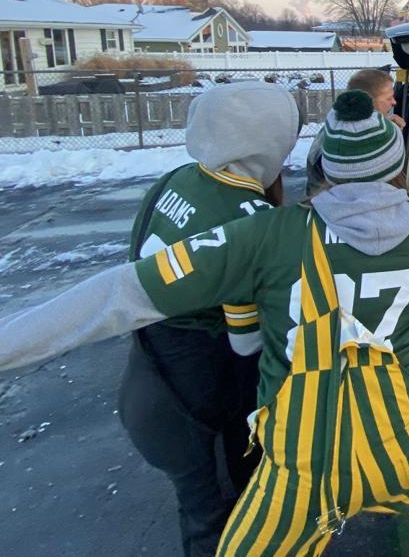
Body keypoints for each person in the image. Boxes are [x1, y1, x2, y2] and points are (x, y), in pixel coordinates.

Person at [0, 89, 409, 555]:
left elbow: (117, 295)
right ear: (398, 168)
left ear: (324, 169)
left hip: (302, 460)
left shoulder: (263, 234)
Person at [118, 81, 300, 557]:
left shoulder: (178, 178)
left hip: (149, 368)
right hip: (202, 395)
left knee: (197, 507)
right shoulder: (248, 217)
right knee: (221, 519)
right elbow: (246, 345)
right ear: (268, 140)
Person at [305, 67, 404, 196]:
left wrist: (389, 131)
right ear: (368, 101)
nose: (394, 102)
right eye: (389, 98)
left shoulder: (335, 130)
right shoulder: (341, 144)